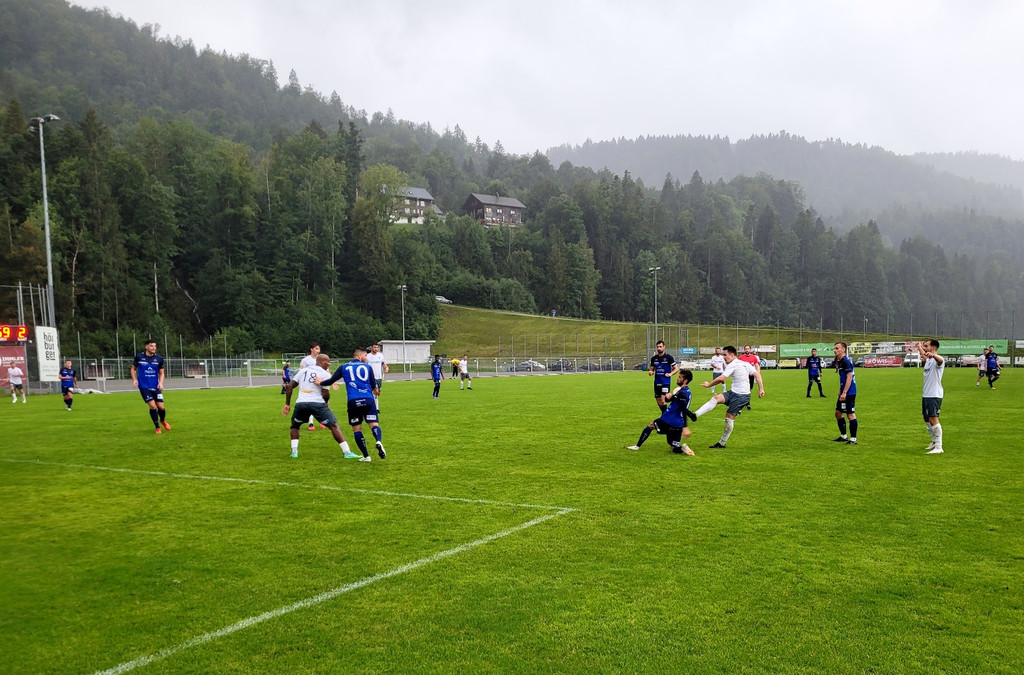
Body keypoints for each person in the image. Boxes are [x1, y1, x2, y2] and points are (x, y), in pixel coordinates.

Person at [282, 353, 358, 459]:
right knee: (334, 426)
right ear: (322, 362)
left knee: (295, 426)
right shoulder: (324, 374)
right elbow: (325, 392)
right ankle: (347, 452)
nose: (329, 364)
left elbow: (290, 386)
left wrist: (287, 404)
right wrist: (326, 401)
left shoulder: (303, 371)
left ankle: (294, 452)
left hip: (301, 403)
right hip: (317, 403)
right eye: (328, 361)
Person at [320, 347, 386, 461]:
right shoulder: (368, 367)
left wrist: (319, 382)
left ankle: (366, 456)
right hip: (368, 399)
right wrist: (375, 390)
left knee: (357, 429)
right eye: (365, 356)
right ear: (359, 356)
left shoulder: (344, 367)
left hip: (353, 401)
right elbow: (373, 386)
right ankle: (378, 441)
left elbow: (330, 381)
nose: (366, 358)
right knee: (374, 424)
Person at [692, 346, 765, 448]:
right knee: (715, 398)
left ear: (732, 355)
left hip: (742, 396)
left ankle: (722, 443)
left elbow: (722, 378)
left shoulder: (734, 364)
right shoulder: (744, 363)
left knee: (729, 418)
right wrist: (761, 389)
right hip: (733, 392)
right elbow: (757, 375)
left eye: (725, 354)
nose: (723, 357)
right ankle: (695, 415)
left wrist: (709, 385)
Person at [627, 369, 697, 455]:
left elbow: (683, 409)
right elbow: (672, 401)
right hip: (678, 424)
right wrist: (669, 397)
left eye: (680, 377)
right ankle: (683, 448)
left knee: (651, 425)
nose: (677, 379)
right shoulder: (686, 391)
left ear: (685, 380)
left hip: (669, 419)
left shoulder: (683, 394)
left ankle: (637, 446)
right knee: (673, 448)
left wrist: (685, 427)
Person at [131, 339, 171, 434]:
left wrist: (160, 383)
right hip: (144, 386)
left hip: (156, 386)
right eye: (151, 346)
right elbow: (133, 369)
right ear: (146, 347)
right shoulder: (139, 357)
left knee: (161, 407)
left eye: (155, 346)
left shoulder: (159, 359)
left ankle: (162, 420)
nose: (154, 348)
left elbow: (161, 373)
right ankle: (157, 427)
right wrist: (135, 380)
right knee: (153, 406)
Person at [918, 340, 946, 454]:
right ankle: (934, 442)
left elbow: (940, 360)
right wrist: (920, 348)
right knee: (926, 418)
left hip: (934, 394)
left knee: (933, 419)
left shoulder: (938, 359)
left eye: (926, 346)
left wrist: (934, 355)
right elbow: (925, 357)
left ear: (933, 347)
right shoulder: (928, 360)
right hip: (926, 394)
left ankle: (939, 447)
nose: (924, 348)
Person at [832, 341, 858, 445]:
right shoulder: (841, 361)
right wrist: (840, 390)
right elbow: (843, 378)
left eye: (837, 348)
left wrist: (845, 393)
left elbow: (849, 377)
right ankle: (843, 436)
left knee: (850, 415)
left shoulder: (846, 361)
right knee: (838, 413)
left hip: (849, 392)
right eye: (834, 348)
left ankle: (853, 439)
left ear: (843, 349)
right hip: (844, 391)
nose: (835, 350)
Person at [300, 342, 326, 431]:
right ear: (311, 349)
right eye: (316, 348)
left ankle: (322, 421)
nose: (318, 350)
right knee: (312, 404)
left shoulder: (321, 359)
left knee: (323, 403)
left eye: (319, 349)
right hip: (310, 386)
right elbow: (301, 372)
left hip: (320, 385)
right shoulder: (306, 360)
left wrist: (332, 382)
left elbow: (326, 372)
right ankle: (311, 423)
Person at [648, 340, 678, 411]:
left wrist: (670, 374)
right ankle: (665, 416)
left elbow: (676, 369)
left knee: (662, 399)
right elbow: (652, 369)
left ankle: (665, 418)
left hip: (665, 382)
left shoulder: (668, 358)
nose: (659, 348)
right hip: (657, 382)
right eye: (657, 347)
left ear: (664, 347)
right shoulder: (654, 358)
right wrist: (651, 372)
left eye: (660, 347)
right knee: (658, 401)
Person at [737, 345, 760, 410]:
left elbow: (757, 365)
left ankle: (747, 403)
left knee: (749, 390)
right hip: (743, 376)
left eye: (748, 349)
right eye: (746, 349)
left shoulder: (754, 357)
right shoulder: (741, 357)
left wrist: (757, 373)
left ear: (750, 350)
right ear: (744, 350)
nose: (747, 350)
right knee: (742, 389)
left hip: (751, 376)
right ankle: (745, 403)